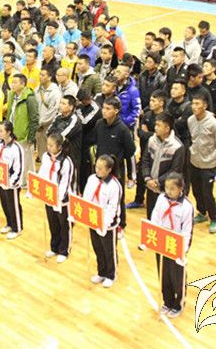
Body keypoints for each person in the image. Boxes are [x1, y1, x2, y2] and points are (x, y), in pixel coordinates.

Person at [150, 173, 193, 318]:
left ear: (181, 188)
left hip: (176, 245)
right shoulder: (161, 199)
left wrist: (182, 251)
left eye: (172, 188)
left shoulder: (187, 206)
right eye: (167, 188)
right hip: (161, 242)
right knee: (164, 274)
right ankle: (167, 301)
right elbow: (155, 217)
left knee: (177, 276)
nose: (169, 191)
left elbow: (187, 231)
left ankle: (178, 304)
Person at [94, 96, 136, 232]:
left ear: (116, 111)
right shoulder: (99, 124)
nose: (104, 111)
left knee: (118, 197)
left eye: (108, 108)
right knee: (101, 194)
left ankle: (120, 224)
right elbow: (96, 142)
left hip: (115, 170)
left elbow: (131, 150)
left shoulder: (122, 129)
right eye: (103, 108)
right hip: (100, 167)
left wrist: (118, 160)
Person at [188, 94, 216, 234]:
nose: (194, 107)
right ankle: (202, 212)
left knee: (207, 193)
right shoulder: (190, 120)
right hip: (194, 161)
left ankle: (213, 217)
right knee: (196, 190)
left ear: (205, 105)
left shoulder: (215, 125)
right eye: (193, 103)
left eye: (197, 104)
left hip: (209, 164)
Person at [83, 155, 122, 288]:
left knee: (109, 250)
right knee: (98, 248)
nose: (97, 170)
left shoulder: (115, 186)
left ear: (109, 170)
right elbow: (87, 197)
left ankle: (111, 275)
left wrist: (105, 224)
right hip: (93, 219)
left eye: (101, 168)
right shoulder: (92, 179)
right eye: (96, 167)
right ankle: (101, 272)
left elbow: (112, 208)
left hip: (108, 224)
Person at [139, 113, 186, 223]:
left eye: (158, 125)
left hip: (167, 190)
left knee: (166, 221)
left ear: (167, 128)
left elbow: (175, 171)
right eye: (155, 125)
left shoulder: (177, 146)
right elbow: (145, 160)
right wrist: (147, 178)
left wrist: (157, 182)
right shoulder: (151, 140)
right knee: (151, 218)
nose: (155, 128)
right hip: (151, 187)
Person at [38, 132, 75, 261]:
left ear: (59, 146)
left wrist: (59, 198)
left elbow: (66, 182)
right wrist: (39, 189)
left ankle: (64, 251)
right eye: (48, 145)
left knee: (64, 225)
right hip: (49, 196)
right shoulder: (45, 157)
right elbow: (42, 173)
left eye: (51, 145)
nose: (48, 148)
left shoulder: (66, 161)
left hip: (62, 199)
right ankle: (54, 247)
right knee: (53, 223)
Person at [5, 73, 39, 182]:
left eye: (15, 82)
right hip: (12, 133)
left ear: (23, 84)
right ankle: (18, 180)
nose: (12, 84)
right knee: (16, 159)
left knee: (27, 160)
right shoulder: (11, 95)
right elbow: (10, 113)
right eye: (12, 82)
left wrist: (31, 137)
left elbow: (34, 119)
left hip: (24, 135)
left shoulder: (30, 98)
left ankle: (29, 182)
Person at [0, 120, 24, 239]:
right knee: (5, 204)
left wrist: (11, 183)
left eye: (1, 131)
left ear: (9, 132)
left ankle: (17, 228)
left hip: (12, 183)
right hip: (1, 180)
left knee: (13, 205)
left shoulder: (16, 148)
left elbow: (19, 169)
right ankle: (9, 224)